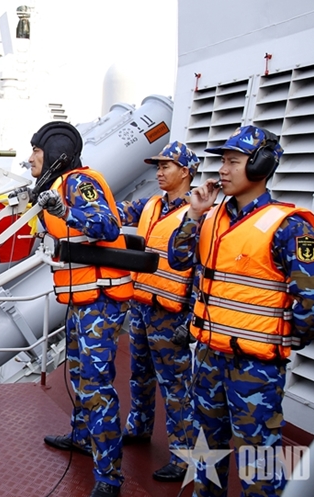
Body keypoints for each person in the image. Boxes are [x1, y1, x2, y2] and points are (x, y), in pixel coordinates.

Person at [168, 125, 314, 496]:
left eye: (233, 162)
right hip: (207, 359)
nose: (222, 170)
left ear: (261, 166)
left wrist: (280, 339)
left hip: (255, 369)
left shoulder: (289, 227)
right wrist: (194, 214)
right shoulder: (210, 218)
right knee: (206, 460)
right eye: (222, 161)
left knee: (260, 469)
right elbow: (178, 259)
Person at [31, 121, 133, 497]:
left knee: (96, 386)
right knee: (78, 375)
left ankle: (109, 477)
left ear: (55, 154)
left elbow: (106, 225)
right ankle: (81, 436)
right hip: (82, 300)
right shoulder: (59, 185)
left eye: (35, 151)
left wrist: (64, 210)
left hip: (101, 302)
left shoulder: (78, 183)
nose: (29, 158)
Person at [116, 141, 199, 483]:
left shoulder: (199, 214)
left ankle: (184, 457)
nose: (159, 172)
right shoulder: (151, 204)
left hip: (171, 315)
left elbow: (203, 273)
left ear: (186, 171)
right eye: (158, 166)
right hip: (142, 307)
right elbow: (116, 212)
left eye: (166, 166)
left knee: (176, 387)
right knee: (140, 375)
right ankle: (139, 426)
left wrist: (192, 321)